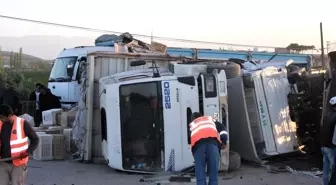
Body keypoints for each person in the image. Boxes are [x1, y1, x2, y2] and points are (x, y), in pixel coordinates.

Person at [0, 104, 39, 185]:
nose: (1, 119)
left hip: (18, 163)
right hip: (2, 163)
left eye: (2, 117)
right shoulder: (0, 124)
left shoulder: (23, 123)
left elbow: (35, 139)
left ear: (10, 115)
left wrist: (28, 152)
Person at [190, 112, 228, 185]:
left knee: (200, 176)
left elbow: (191, 139)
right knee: (213, 176)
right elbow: (223, 129)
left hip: (198, 148)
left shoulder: (193, 124)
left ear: (193, 119)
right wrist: (223, 142)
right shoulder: (210, 120)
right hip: (212, 146)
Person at [321, 97, 336, 185]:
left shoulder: (327, 116)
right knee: (334, 170)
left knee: (326, 170)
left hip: (323, 146)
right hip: (331, 147)